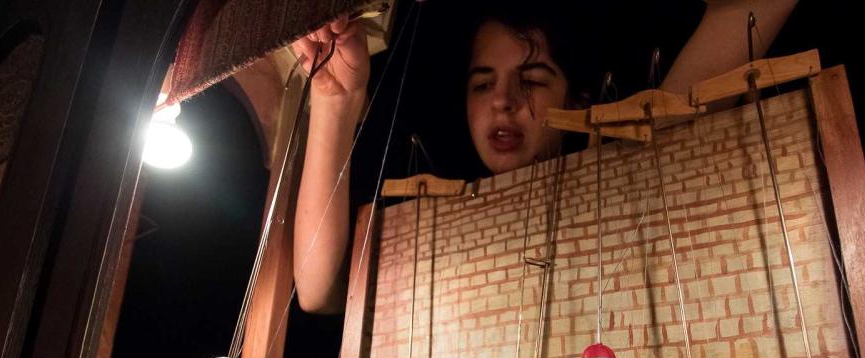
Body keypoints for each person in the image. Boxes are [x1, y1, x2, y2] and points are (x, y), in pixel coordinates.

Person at [290, 1, 798, 313]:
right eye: (482, 84)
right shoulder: (443, 225)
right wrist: (336, 100)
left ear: (577, 100)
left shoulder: (628, 178)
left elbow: (748, 11)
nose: (503, 100)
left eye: (531, 80)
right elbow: (320, 289)